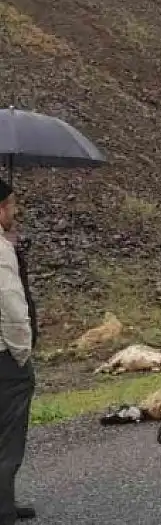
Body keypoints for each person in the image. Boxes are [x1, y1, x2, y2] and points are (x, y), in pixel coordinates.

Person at [0, 179, 35, 523]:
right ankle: (3, 506)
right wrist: (22, 351)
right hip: (4, 359)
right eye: (11, 204)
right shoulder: (0, 251)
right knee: (8, 434)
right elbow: (12, 307)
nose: (15, 211)